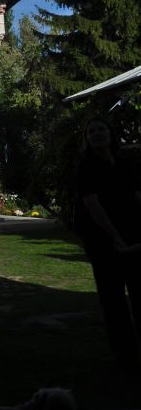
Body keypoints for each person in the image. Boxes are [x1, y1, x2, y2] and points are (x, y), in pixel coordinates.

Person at [75, 117, 141, 367]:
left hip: (133, 237)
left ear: (111, 133)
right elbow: (93, 206)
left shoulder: (124, 162)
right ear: (86, 139)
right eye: (91, 131)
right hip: (103, 241)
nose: (96, 134)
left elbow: (136, 194)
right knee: (113, 300)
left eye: (101, 129)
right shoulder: (86, 166)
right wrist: (116, 238)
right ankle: (124, 355)